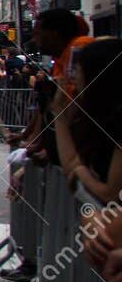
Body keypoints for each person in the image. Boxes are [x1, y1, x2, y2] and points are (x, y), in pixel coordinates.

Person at [52, 38, 122, 202]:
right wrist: (59, 114)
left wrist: (80, 172)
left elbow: (111, 193)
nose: (74, 79)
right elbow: (70, 165)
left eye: (78, 71)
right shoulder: (99, 119)